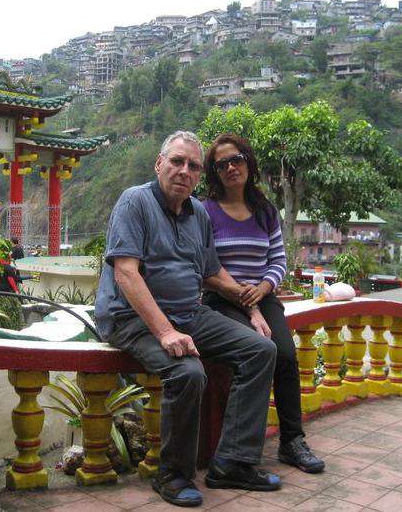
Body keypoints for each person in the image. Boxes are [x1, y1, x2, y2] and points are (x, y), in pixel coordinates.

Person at [94, 131, 280, 508]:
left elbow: (212, 273)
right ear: (159, 164)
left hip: (189, 314)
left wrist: (250, 306)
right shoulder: (135, 201)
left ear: (199, 175)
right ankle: (173, 475)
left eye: (193, 166)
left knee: (261, 350)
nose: (184, 171)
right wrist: (165, 332)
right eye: (177, 161)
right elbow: (126, 273)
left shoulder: (198, 214)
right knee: (188, 372)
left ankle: (232, 463)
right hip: (132, 318)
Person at [202, 133, 332, 473]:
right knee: (259, 351)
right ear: (214, 172)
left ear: (248, 162)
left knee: (285, 355)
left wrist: (262, 289)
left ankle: (292, 441)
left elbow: (278, 260)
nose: (231, 168)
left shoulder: (265, 211)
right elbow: (205, 265)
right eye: (222, 164)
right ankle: (241, 447)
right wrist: (246, 301)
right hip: (222, 298)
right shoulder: (205, 212)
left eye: (237, 160)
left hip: (263, 295)